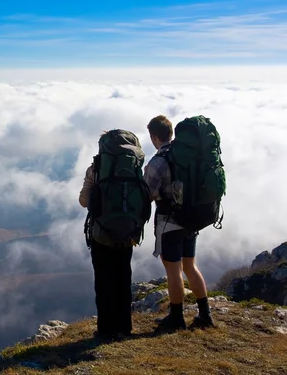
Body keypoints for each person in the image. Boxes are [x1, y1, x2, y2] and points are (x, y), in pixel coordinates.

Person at [143, 115, 215, 331]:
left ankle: (176, 318)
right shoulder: (188, 158)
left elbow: (148, 194)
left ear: (154, 137)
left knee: (173, 271)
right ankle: (205, 314)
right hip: (192, 219)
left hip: (169, 223)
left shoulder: (158, 162)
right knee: (190, 266)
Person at [79, 129, 150, 341]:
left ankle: (105, 329)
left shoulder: (96, 169)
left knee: (103, 281)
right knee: (123, 277)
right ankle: (124, 326)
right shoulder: (136, 169)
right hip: (128, 233)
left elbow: (84, 201)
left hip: (101, 233)